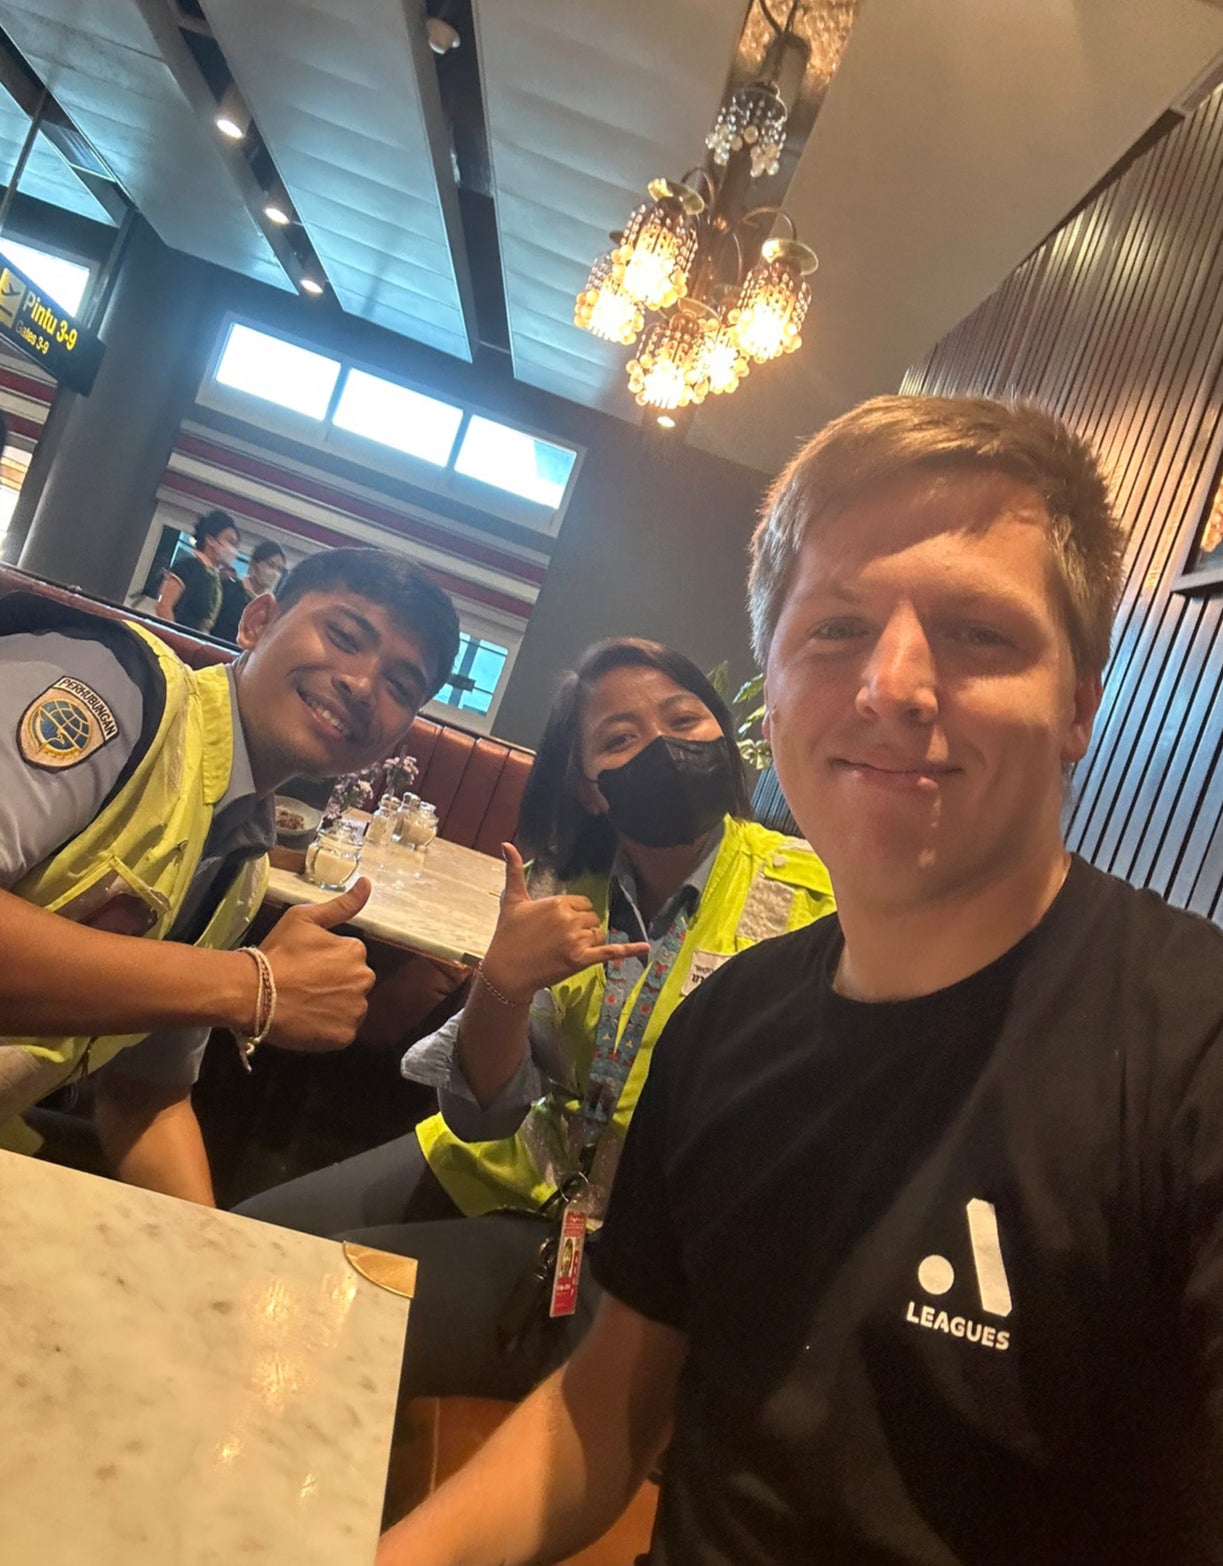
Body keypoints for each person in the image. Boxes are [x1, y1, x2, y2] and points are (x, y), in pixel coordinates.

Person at [379, 396, 1223, 1566]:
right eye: (834, 630)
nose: (892, 687)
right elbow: (600, 1413)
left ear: (1078, 701)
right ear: (770, 696)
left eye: (977, 631)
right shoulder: (725, 1025)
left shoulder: (1189, 1053)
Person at [237, 637, 835, 1398]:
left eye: (684, 721)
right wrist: (504, 982)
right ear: (589, 788)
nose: (664, 748)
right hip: (515, 1159)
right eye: (620, 739)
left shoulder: (814, 903)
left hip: (642, 1243)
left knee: (316, 1307)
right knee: (241, 1240)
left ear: (724, 735)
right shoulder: (561, 887)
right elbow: (484, 1117)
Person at [0, 546, 460, 1205]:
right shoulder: (116, 688)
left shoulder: (241, 861)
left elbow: (143, 1096)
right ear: (256, 622)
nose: (363, 686)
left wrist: (209, 1250)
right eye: (344, 636)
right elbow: (227, 994)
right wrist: (250, 986)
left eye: (400, 687)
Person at [154, 509, 240, 633]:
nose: (232, 550)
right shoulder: (187, 567)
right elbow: (163, 607)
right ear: (210, 540)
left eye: (235, 545)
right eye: (229, 541)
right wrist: (176, 640)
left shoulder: (215, 579)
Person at [212, 539, 288, 644]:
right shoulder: (228, 589)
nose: (275, 573)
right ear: (253, 565)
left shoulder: (270, 608)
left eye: (280, 569)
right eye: (271, 565)